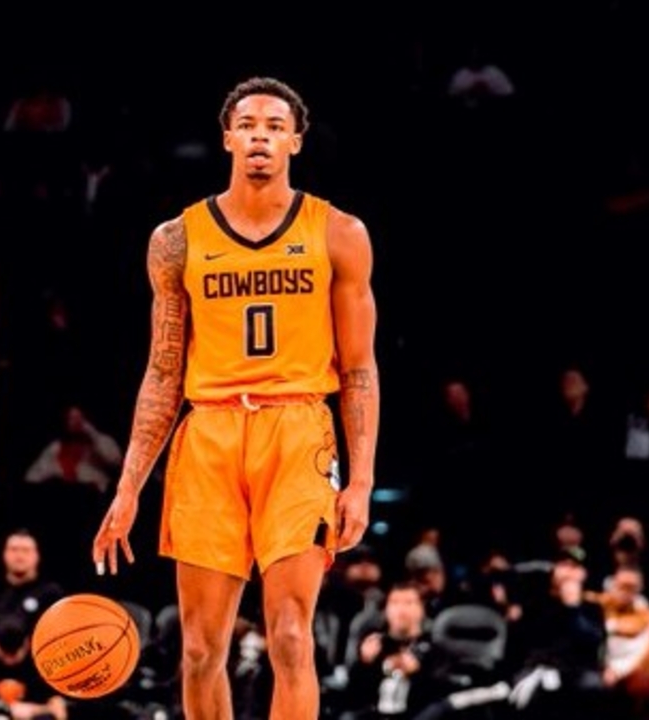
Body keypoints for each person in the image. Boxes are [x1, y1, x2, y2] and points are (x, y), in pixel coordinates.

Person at [92, 76, 381, 720]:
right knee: (199, 649)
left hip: (298, 430)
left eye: (275, 127)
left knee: (290, 635)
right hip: (209, 435)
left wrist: (361, 481)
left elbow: (360, 369)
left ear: (296, 142)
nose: (260, 137)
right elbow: (162, 372)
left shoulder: (338, 232)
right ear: (227, 139)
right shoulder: (177, 239)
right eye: (247, 125)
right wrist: (129, 485)